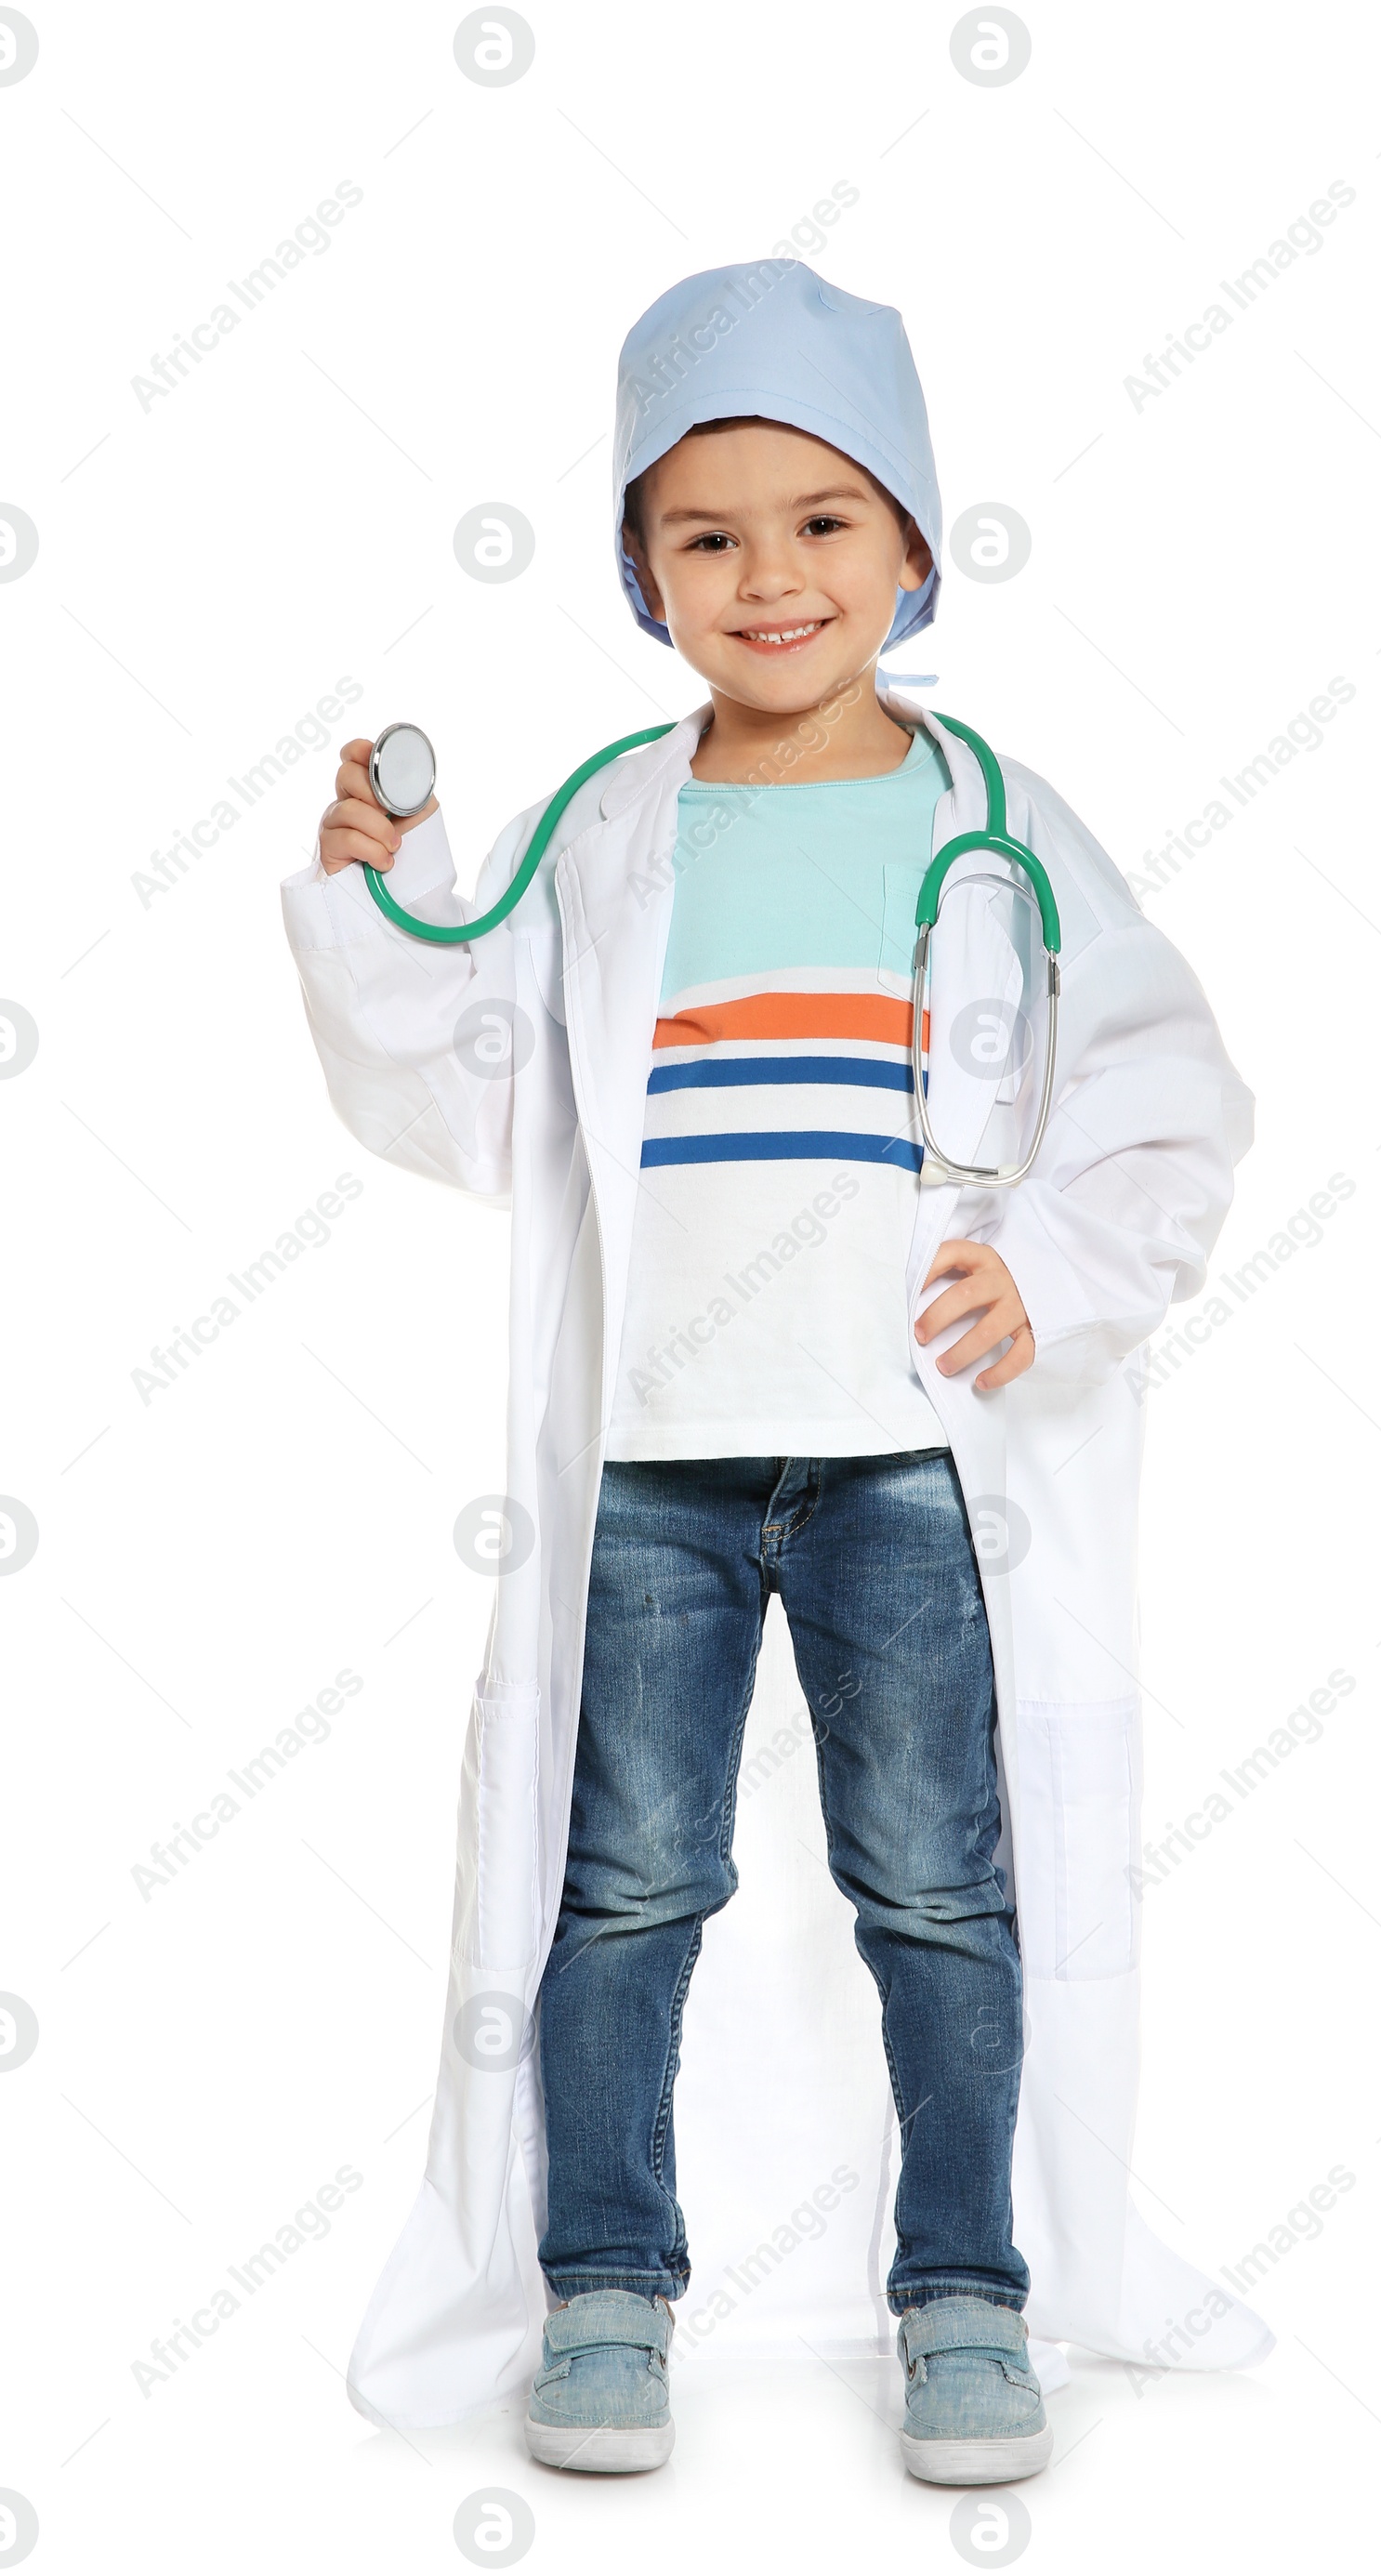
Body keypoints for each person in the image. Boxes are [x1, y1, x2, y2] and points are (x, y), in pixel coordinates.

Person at [282, 259, 1267, 2484]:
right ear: (640, 575)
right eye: (706, 534)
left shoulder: (995, 817)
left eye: (824, 522)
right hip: (652, 1460)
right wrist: (384, 892)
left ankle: (961, 2300)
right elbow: (465, 1100)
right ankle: (605, 2287)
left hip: (908, 1453)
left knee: (935, 1885)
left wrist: (1058, 1258)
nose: (770, 575)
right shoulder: (600, 832)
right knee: (618, 1884)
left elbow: (1163, 1082)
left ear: (916, 546)